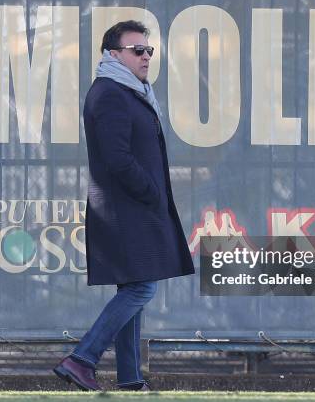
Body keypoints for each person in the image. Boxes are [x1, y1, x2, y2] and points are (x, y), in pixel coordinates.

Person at [52, 20, 195, 392]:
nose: (146, 56)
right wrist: (150, 191)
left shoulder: (130, 91)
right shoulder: (111, 93)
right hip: (125, 209)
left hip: (133, 207)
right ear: (113, 55)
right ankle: (81, 359)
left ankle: (130, 379)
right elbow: (117, 158)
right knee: (141, 290)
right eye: (138, 50)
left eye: (149, 50)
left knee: (134, 288)